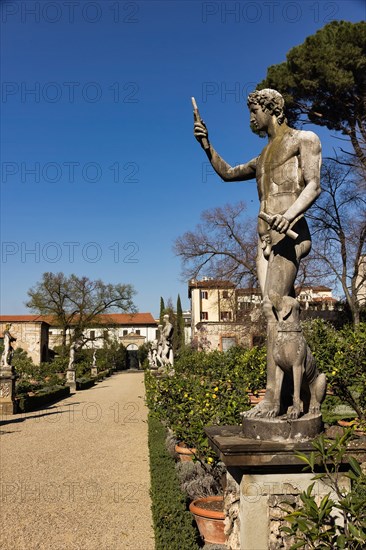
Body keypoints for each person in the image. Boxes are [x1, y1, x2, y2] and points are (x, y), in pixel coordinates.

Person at [194, 88, 321, 418]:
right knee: (272, 312)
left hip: (290, 238)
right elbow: (227, 173)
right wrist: (207, 145)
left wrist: (290, 214)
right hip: (265, 241)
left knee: (273, 305)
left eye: (254, 110)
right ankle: (305, 387)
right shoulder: (263, 157)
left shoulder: (303, 139)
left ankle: (272, 399)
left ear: (271, 108)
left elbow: (313, 185)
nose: (250, 117)